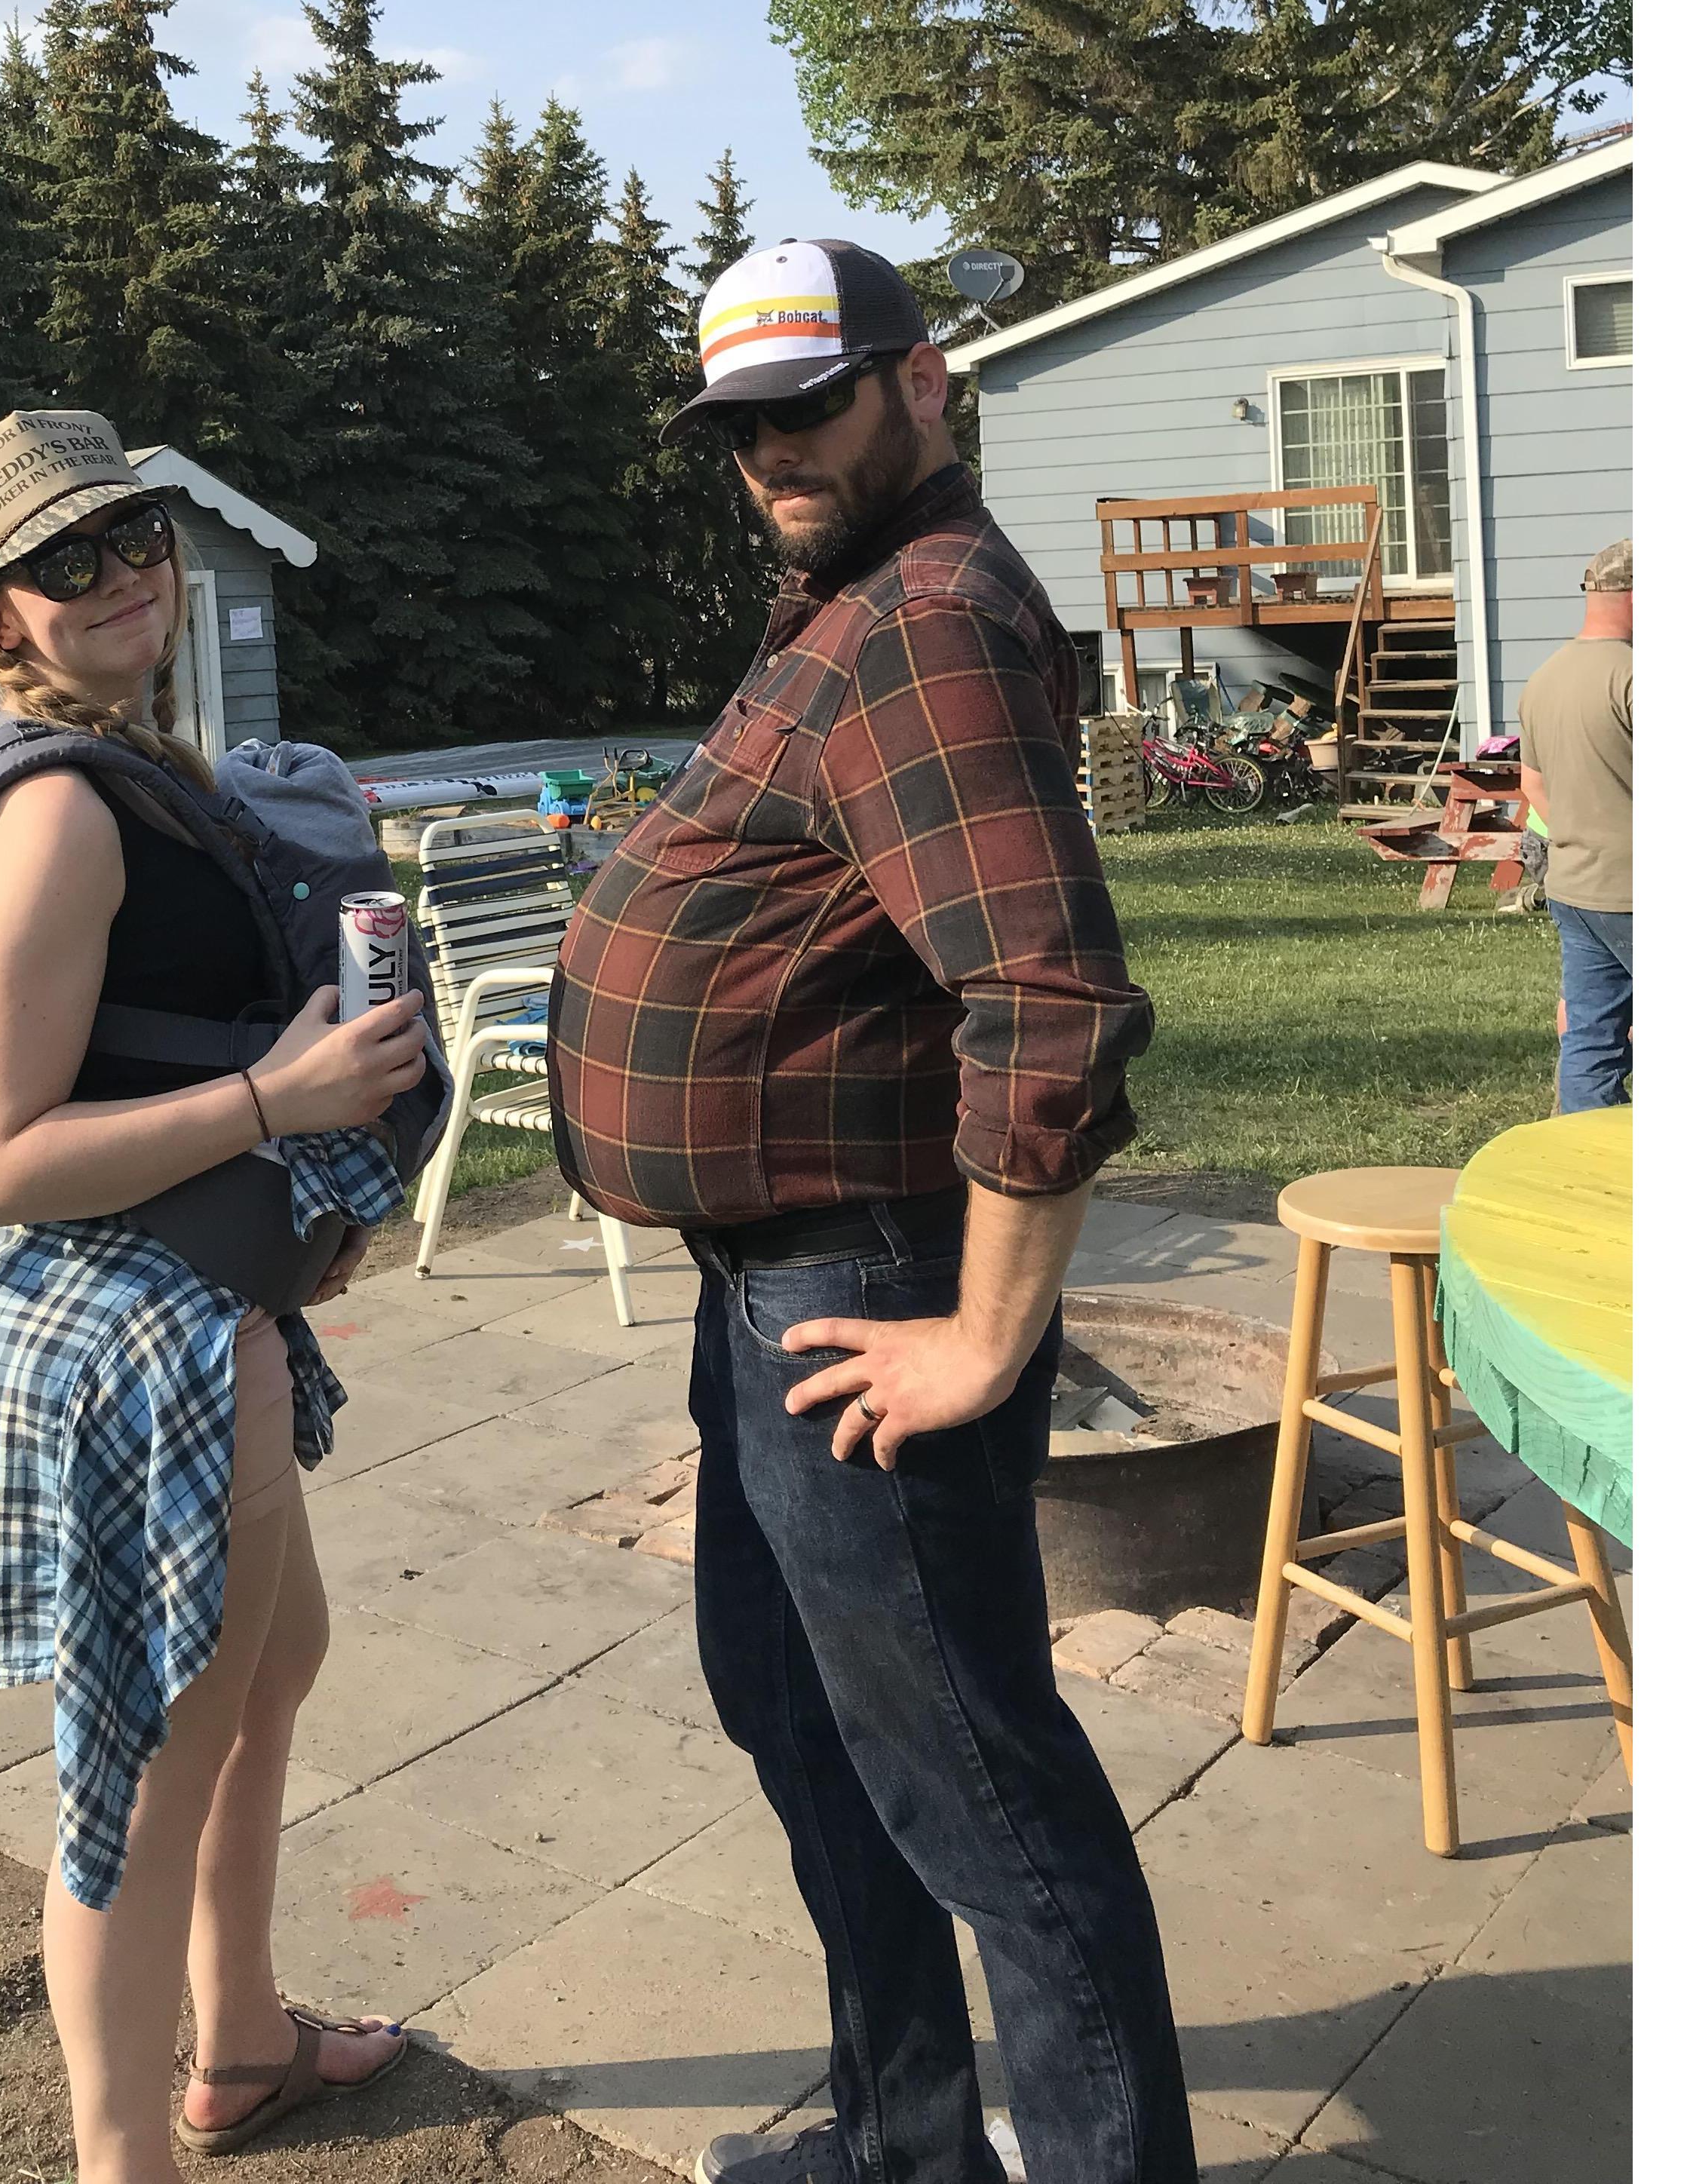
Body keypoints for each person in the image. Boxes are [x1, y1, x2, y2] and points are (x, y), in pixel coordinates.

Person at [548, 243, 1195, 2184]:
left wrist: (989, 1337)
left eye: (806, 406)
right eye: (737, 429)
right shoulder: (848, 603)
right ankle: (905, 2148)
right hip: (770, 1285)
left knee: (978, 1789)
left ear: (923, 384)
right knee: (805, 1718)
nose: (769, 453)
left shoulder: (922, 621)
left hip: (865, 1285)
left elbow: (1049, 1003)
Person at [0, 409, 428, 2183]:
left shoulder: (135, 766)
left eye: (137, 535)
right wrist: (277, 1105)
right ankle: (121, 2156)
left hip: (208, 1309)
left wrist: (303, 1191)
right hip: (132, 1341)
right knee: (142, 1779)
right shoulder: (59, 814)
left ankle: (245, 2041)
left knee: (273, 1665)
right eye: (64, 561)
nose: (121, 574)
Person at [1519, 539, 1633, 1111]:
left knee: (1590, 1037)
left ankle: (1586, 1157)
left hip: (1575, 887)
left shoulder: (1544, 679)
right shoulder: (1634, 676)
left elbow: (1532, 786)